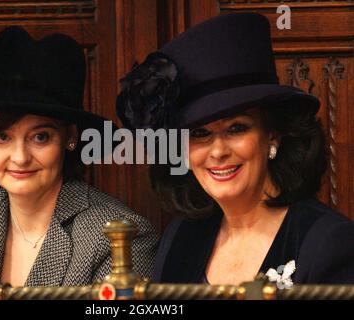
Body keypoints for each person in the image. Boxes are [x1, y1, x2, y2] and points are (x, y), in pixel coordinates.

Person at [116, 13, 354, 285]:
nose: (218, 151)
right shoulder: (180, 237)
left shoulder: (330, 243)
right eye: (200, 133)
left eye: (237, 128)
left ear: (273, 134)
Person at [0, 26, 158, 287]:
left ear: (70, 137)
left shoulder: (120, 237)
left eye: (40, 137)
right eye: (2, 136)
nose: (20, 157)